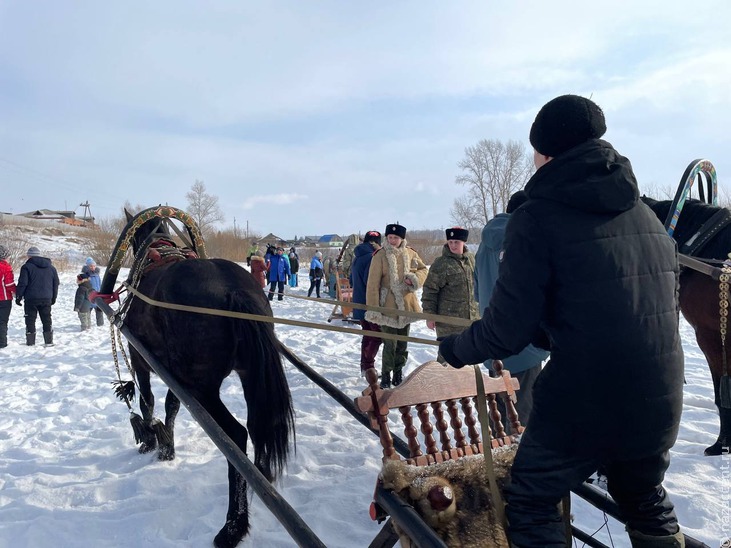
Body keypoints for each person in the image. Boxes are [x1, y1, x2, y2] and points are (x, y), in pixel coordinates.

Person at [438, 95, 684, 547]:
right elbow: (644, 306)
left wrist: (455, 348)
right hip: (659, 397)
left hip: (584, 399)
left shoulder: (536, 217)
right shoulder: (646, 216)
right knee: (644, 498)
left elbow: (504, 330)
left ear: (545, 151)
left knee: (531, 500)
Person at [474, 192, 550, 431]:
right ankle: (514, 468)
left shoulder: (482, 247)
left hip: (492, 343)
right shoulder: (525, 239)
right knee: (521, 420)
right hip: (523, 346)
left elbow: (477, 293)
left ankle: (494, 465)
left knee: (497, 416)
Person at [365, 223, 428, 388]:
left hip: (406, 305)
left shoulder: (411, 253)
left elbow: (423, 270)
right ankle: (386, 375)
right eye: (390, 237)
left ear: (402, 239)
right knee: (389, 343)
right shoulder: (380, 255)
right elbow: (372, 284)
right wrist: (373, 309)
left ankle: (398, 372)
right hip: (387, 307)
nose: (392, 240)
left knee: (402, 343)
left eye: (396, 238)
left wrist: (414, 279)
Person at [421, 227, 479, 363]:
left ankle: (467, 384)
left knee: (469, 357)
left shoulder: (471, 259)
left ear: (463, 243)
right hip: (448, 322)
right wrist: (429, 315)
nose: (453, 245)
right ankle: (442, 383)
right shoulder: (441, 263)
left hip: (471, 319)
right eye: (450, 242)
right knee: (446, 358)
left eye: (456, 242)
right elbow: (430, 290)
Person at [350, 230, 383, 376]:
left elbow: (352, 280)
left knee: (368, 334)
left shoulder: (358, 256)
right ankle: (368, 366)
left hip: (358, 301)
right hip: (369, 303)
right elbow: (370, 282)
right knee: (377, 336)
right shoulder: (371, 257)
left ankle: (365, 366)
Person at [15, 246, 60, 346]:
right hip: (47, 297)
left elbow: (23, 283)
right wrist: (53, 297)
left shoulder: (26, 267)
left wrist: (18, 296)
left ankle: (30, 342)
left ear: (29, 256)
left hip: (31, 298)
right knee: (47, 319)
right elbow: (55, 283)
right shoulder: (51, 268)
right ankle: (48, 341)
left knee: (30, 319)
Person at [0, 245, 16, 348]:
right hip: (4, 299)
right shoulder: (6, 267)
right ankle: (2, 342)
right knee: (2, 321)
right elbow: (9, 284)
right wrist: (16, 292)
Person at [82, 257, 104, 326]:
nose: (93, 267)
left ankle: (100, 325)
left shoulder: (97, 275)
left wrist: (101, 292)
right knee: (88, 311)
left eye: (94, 266)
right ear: (87, 266)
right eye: (91, 266)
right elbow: (83, 285)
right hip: (89, 296)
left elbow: (100, 284)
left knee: (99, 310)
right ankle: (87, 325)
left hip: (98, 295)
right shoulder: (85, 275)